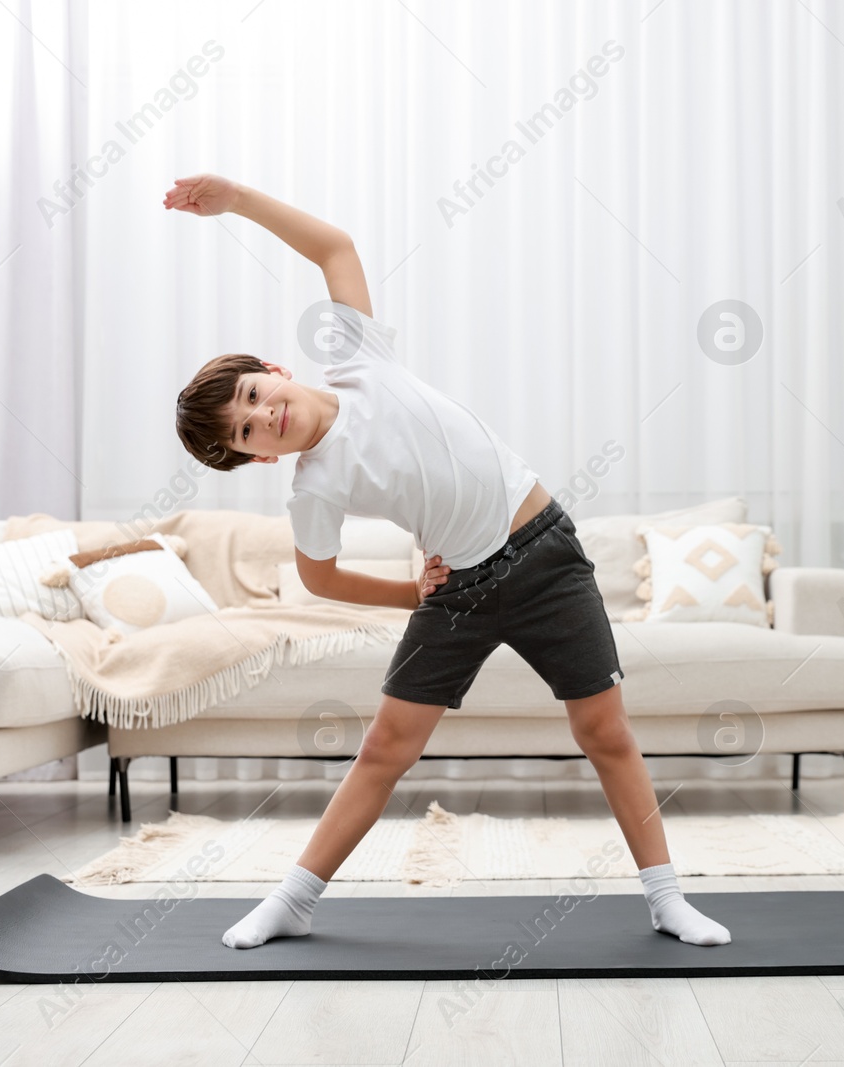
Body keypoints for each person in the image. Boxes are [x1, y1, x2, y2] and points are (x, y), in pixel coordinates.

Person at [165, 174, 730, 949]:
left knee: (605, 730)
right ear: (257, 459)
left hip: (545, 558)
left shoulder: (358, 359)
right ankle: (293, 899)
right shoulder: (313, 489)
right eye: (248, 432)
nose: (265, 417)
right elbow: (318, 577)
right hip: (459, 589)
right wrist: (410, 593)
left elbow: (333, 246)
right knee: (386, 746)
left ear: (277, 371)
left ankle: (668, 898)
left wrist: (238, 201)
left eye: (257, 396)